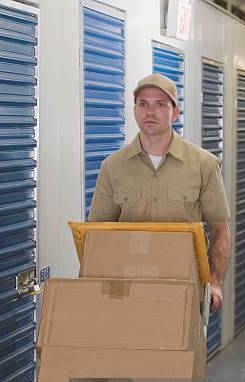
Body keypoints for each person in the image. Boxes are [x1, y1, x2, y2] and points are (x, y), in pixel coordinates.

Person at [88, 73, 231, 312]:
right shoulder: (112, 166)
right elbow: (98, 232)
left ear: (175, 113)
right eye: (143, 104)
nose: (150, 112)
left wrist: (214, 282)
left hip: (185, 287)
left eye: (160, 105)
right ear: (134, 111)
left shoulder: (203, 164)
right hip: (126, 287)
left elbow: (220, 230)